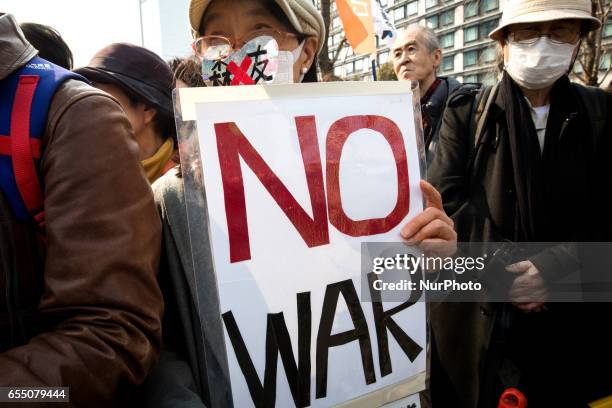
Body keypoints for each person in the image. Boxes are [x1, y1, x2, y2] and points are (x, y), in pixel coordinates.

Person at [144, 0, 456, 406]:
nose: (237, 55)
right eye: (218, 41)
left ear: (306, 52)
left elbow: (398, 302)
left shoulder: (369, 173)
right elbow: (160, 349)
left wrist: (438, 264)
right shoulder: (175, 198)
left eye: (259, 34)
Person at [428, 0, 612, 406]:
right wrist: (505, 272)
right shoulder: (465, 112)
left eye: (561, 30)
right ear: (504, 42)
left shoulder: (599, 113)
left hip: (574, 330)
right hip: (480, 324)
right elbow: (447, 206)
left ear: (579, 40)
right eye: (529, 31)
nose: (544, 43)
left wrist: (552, 269)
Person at [1, 13, 163, 406]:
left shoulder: (74, 116)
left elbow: (112, 337)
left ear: (147, 110)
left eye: (113, 93)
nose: (92, 91)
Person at [75, 43, 178, 183]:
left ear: (147, 109)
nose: (88, 113)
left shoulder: (192, 178)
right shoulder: (84, 178)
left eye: (100, 101)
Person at [391, 25, 461, 163]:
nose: (403, 59)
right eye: (397, 54)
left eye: (411, 49)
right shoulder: (390, 115)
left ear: (436, 57)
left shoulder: (463, 107)